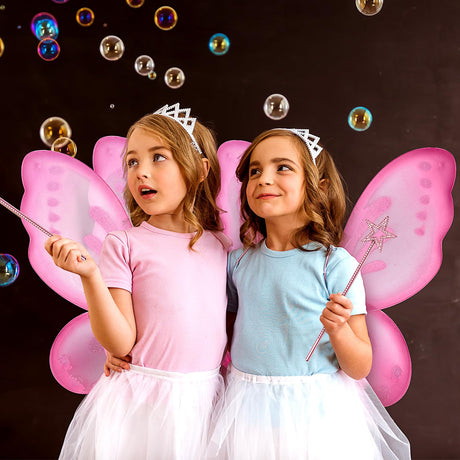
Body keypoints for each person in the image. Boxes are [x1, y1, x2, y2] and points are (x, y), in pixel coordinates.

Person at [208, 128, 411, 459]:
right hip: (247, 409)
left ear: (320, 186)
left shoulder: (335, 265)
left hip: (315, 414)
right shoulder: (238, 262)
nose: (263, 179)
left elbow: (359, 366)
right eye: (255, 171)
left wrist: (339, 330)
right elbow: (219, 337)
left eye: (282, 167)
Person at [45, 103, 229, 460]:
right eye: (132, 161)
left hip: (204, 404)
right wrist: (91, 276)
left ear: (200, 170)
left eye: (158, 157)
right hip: (144, 405)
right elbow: (120, 341)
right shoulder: (124, 243)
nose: (141, 171)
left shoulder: (220, 246)